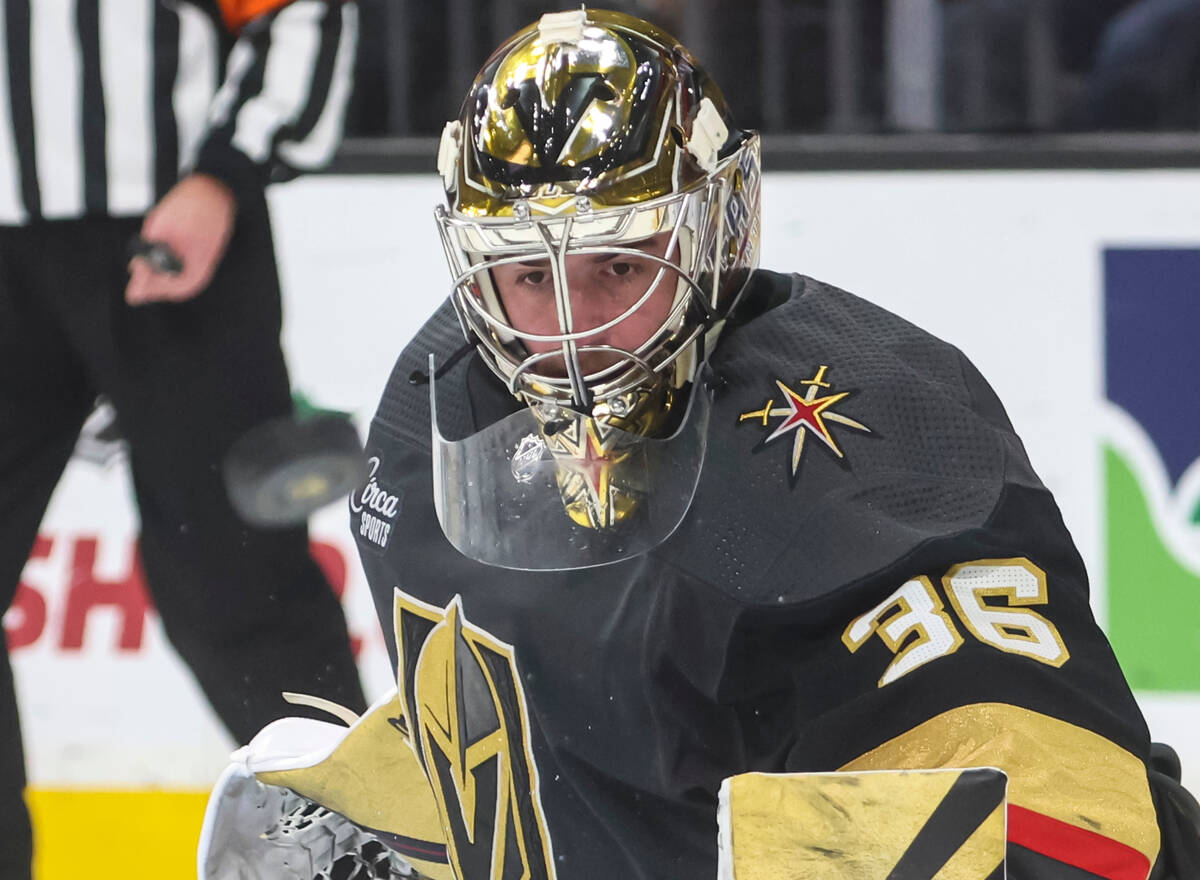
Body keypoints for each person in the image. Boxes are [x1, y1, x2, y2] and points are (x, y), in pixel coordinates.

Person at [198, 8, 1200, 879]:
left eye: (619, 266)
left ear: (714, 232)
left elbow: (1071, 834)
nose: (572, 334)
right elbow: (588, 751)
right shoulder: (439, 415)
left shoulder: (866, 435)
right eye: (532, 278)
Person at [0, 2, 366, 878]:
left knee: (237, 587)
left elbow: (295, 13)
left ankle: (373, 849)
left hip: (173, 227)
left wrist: (224, 173)